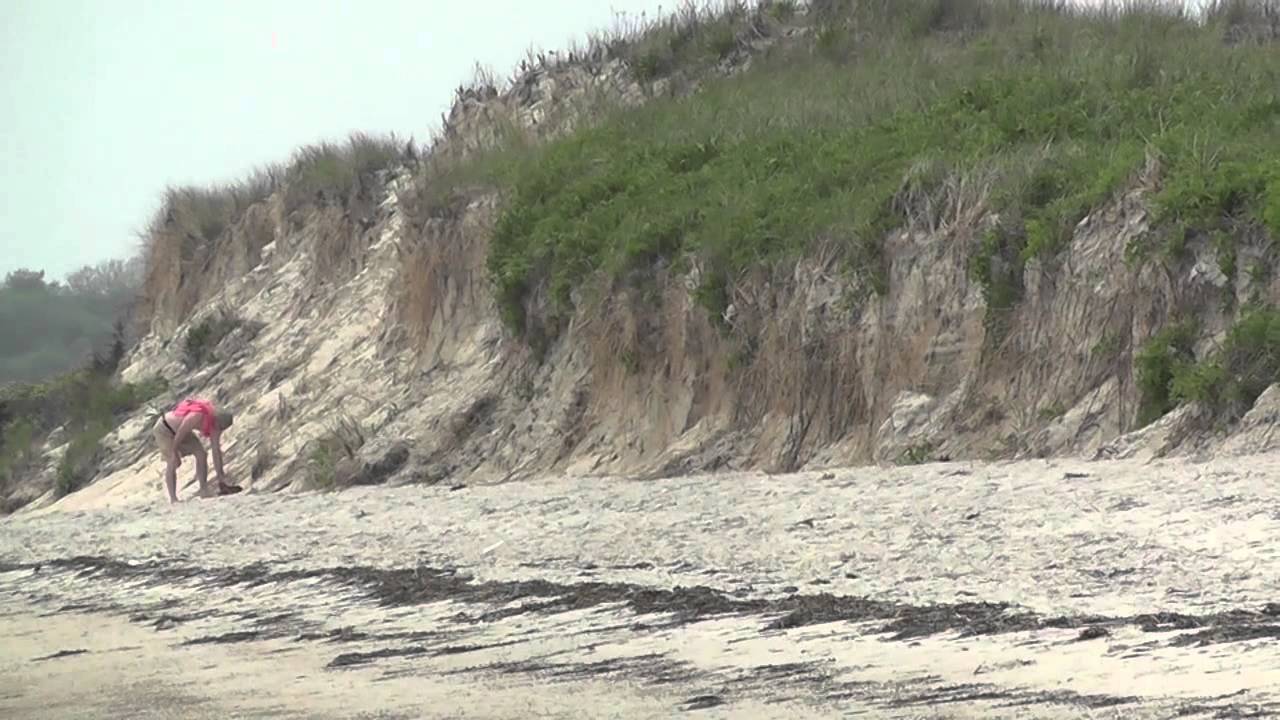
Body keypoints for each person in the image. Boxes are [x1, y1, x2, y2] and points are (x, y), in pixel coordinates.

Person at [150, 398, 241, 503]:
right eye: (218, 426)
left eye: (221, 428)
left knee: (201, 454)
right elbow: (181, 432)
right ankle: (173, 499)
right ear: (216, 418)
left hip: (181, 431)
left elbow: (216, 452)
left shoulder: (215, 427)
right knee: (173, 461)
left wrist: (221, 479)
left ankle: (204, 491)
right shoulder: (198, 415)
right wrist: (175, 451)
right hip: (165, 428)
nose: (217, 429)